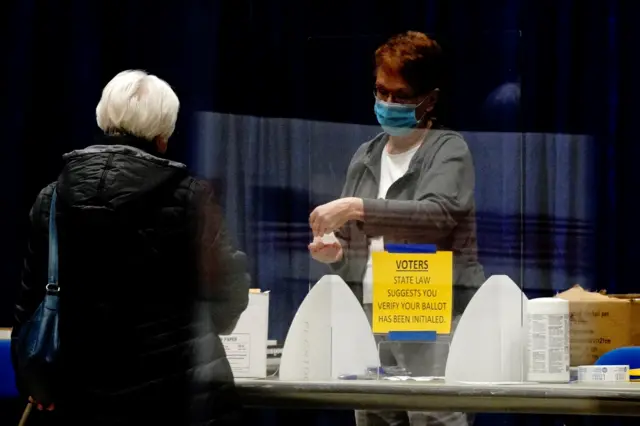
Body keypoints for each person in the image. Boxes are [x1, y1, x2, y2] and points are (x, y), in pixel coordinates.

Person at [11, 70, 250, 425]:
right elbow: (228, 298)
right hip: (178, 399)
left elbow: (30, 303)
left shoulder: (52, 197)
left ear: (104, 120)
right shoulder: (192, 198)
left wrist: (34, 377)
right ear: (163, 136)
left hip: (79, 399)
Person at [309, 32, 485, 426]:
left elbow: (436, 216)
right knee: (373, 414)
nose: (387, 103)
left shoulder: (447, 149)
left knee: (433, 416)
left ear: (430, 99)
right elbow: (353, 245)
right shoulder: (367, 154)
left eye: (400, 96)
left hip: (431, 311)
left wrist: (355, 207)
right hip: (371, 313)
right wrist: (335, 253)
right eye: (380, 91)